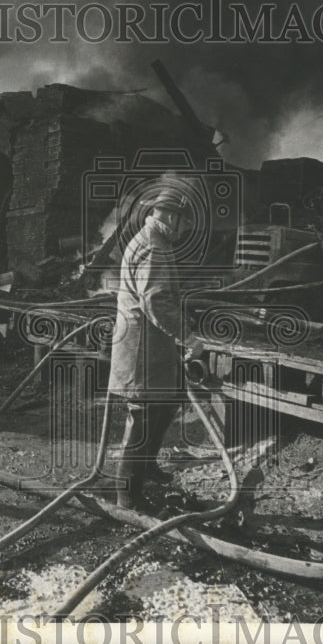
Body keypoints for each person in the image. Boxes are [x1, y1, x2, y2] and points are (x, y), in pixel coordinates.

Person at [108, 185, 204, 510]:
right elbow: (157, 301)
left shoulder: (153, 240)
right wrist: (189, 337)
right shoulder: (154, 247)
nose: (186, 229)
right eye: (185, 222)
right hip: (141, 351)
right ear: (172, 218)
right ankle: (128, 498)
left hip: (151, 347)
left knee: (171, 396)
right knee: (143, 418)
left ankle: (146, 466)